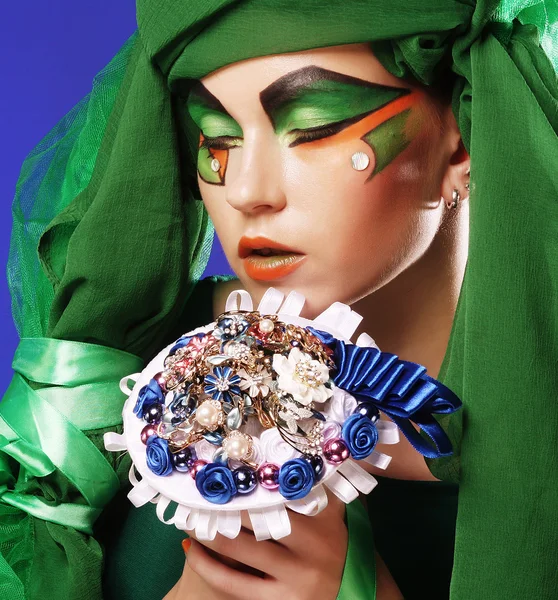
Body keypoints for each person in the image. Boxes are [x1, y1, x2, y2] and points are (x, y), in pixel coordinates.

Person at [1, 1, 557, 599]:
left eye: (312, 130)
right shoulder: (115, 367)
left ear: (460, 139)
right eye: (216, 139)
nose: (246, 191)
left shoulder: (542, 402)